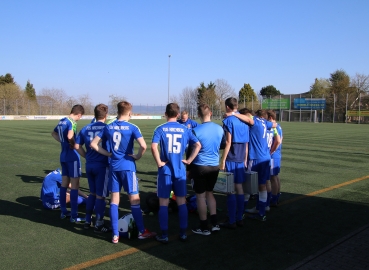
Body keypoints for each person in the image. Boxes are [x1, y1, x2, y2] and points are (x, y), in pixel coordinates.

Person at [90, 101, 156, 244]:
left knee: (115, 200)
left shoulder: (109, 127)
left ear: (118, 111)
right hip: (128, 167)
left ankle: (115, 235)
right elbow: (144, 146)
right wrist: (137, 156)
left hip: (114, 166)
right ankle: (141, 231)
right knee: (134, 200)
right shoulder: (132, 127)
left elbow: (93, 144)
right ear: (129, 112)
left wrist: (108, 154)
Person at [151, 103, 201, 243]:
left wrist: (159, 163)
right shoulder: (185, 129)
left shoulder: (160, 129)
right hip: (180, 170)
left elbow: (153, 147)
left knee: (163, 203)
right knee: (181, 202)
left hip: (165, 171)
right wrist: (189, 160)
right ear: (178, 114)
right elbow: (198, 145)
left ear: (166, 114)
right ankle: (183, 233)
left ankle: (164, 235)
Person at [231, 109, 278, 221]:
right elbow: (275, 124)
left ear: (257, 115)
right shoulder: (266, 123)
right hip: (266, 157)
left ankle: (241, 212)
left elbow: (248, 119)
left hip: (255, 158)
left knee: (247, 185)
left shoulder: (255, 120)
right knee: (262, 185)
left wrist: (234, 114)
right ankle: (262, 212)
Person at [75, 104, 110, 232]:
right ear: (106, 115)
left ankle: (88, 220)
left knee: (92, 194)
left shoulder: (85, 128)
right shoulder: (107, 128)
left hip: (89, 165)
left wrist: (86, 156)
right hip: (102, 166)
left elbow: (77, 145)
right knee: (101, 196)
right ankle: (99, 224)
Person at [219, 98, 253, 229]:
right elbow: (246, 144)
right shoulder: (244, 119)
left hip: (231, 158)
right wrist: (245, 159)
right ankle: (239, 217)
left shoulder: (228, 120)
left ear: (227, 107)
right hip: (240, 158)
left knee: (230, 190)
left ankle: (231, 220)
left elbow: (228, 142)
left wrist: (222, 161)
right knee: (239, 188)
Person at [190, 104, 224, 235]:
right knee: (210, 193)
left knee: (200, 196)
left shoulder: (195, 130)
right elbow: (222, 144)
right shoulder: (219, 129)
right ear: (210, 113)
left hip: (200, 166)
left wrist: (189, 168)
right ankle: (215, 223)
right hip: (214, 165)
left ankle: (204, 226)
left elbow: (191, 150)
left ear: (198, 115)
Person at [51, 104, 85, 223]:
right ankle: (74, 216)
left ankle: (63, 212)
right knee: (75, 185)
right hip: (72, 156)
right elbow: (70, 135)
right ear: (79, 114)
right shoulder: (72, 122)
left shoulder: (61, 121)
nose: (79, 119)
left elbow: (53, 133)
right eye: (80, 117)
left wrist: (63, 142)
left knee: (64, 183)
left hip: (63, 155)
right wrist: (72, 143)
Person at [267, 110, 283, 206]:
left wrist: (271, 151)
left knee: (272, 178)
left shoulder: (273, 127)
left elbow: (278, 141)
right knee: (276, 176)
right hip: (277, 154)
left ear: (270, 118)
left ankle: (273, 198)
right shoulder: (279, 126)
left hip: (273, 155)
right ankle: (276, 195)